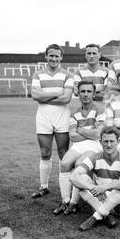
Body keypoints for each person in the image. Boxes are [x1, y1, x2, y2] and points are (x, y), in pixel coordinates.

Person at [69, 127, 120, 231]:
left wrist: (105, 187)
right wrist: (92, 187)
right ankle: (105, 213)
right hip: (101, 200)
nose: (109, 145)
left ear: (118, 142)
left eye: (112, 141)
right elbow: (73, 177)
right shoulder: (94, 157)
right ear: (100, 142)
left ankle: (96, 216)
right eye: (105, 141)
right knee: (81, 179)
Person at [53, 81, 105, 215]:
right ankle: (65, 201)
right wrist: (90, 132)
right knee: (64, 163)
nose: (85, 94)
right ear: (78, 94)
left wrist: (80, 130)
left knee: (79, 164)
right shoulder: (74, 112)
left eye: (88, 91)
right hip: (79, 145)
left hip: (95, 145)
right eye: (83, 91)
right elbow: (72, 136)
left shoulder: (100, 109)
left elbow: (98, 134)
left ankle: (74, 203)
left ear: (94, 94)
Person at [31, 44, 74, 199]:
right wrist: (57, 92)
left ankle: (67, 188)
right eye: (51, 55)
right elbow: (35, 96)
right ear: (46, 56)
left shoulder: (68, 75)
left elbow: (66, 98)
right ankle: (44, 187)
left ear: (61, 57)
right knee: (45, 153)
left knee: (63, 153)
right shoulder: (38, 74)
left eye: (57, 56)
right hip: (43, 117)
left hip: (62, 117)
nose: (54, 58)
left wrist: (44, 97)